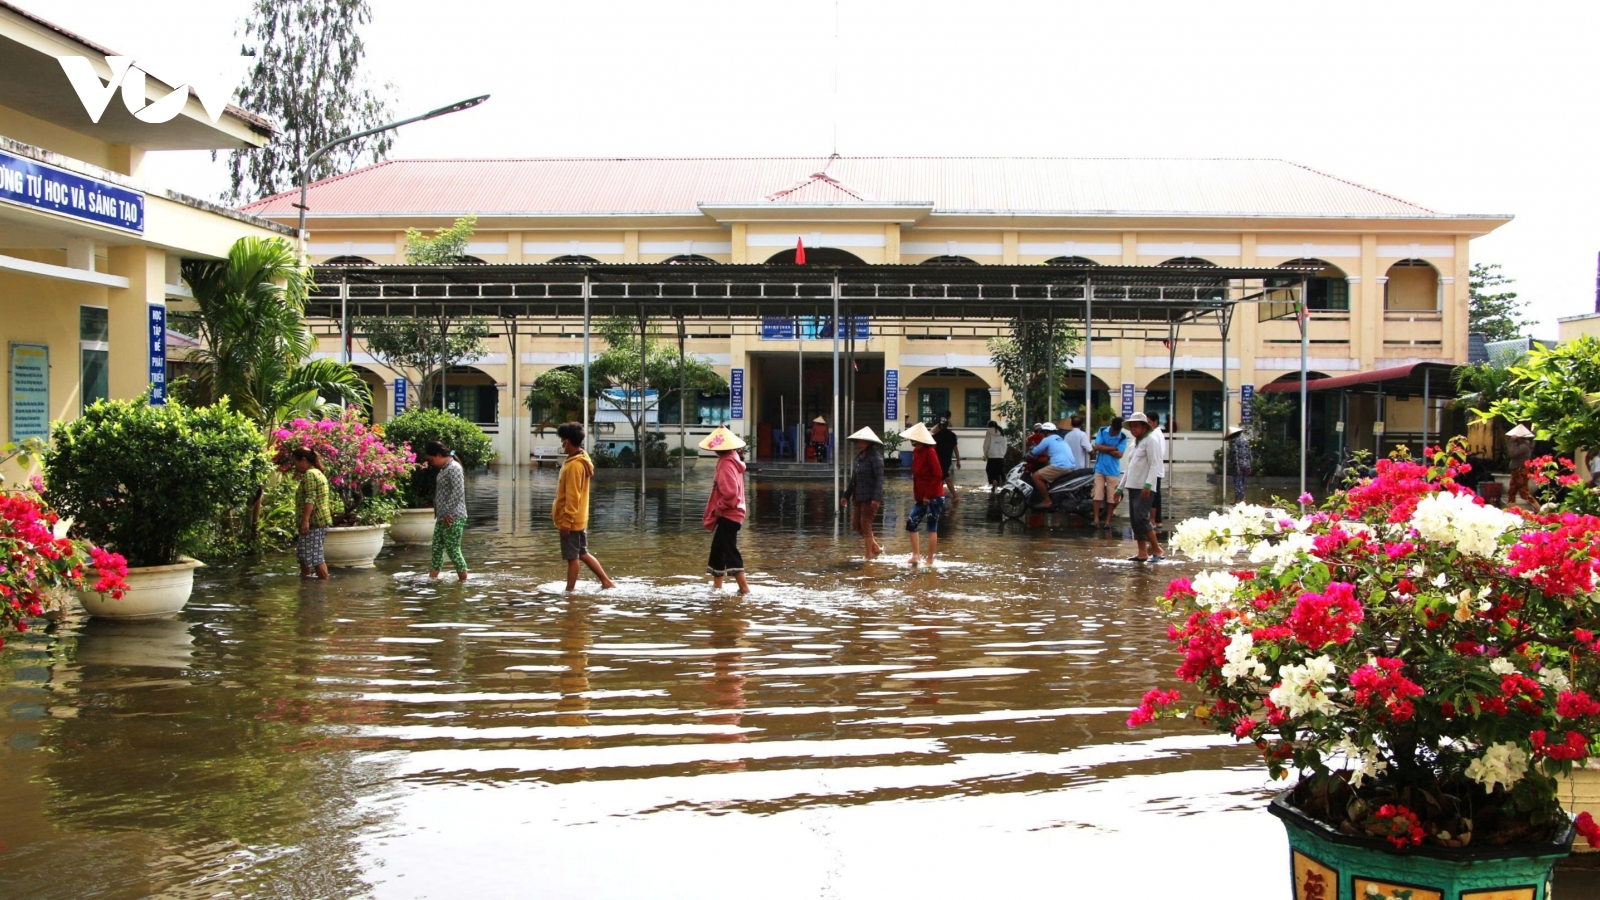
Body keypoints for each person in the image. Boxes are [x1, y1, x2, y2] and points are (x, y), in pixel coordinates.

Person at [552, 422, 617, 591]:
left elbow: (573, 496)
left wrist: (566, 520)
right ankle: (606, 581)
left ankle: (569, 593)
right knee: (582, 553)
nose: (561, 444)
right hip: (579, 518)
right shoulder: (581, 458)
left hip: (572, 520)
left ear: (566, 441)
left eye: (562, 440)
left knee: (572, 557)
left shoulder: (574, 465)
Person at [701, 426, 751, 594]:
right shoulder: (734, 458)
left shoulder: (725, 464)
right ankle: (717, 587)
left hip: (730, 513)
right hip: (734, 513)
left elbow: (730, 493)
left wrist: (718, 508)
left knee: (729, 549)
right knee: (718, 549)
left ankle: (744, 588)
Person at [1119, 412, 1166, 563]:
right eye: (1131, 426)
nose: (1133, 429)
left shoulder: (1151, 441)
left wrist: (1148, 484)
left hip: (1144, 486)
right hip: (1133, 485)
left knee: (1142, 518)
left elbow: (1155, 464)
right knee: (1135, 520)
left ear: (1144, 427)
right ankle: (1142, 552)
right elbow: (1130, 467)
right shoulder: (1135, 443)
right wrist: (1120, 488)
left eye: (1136, 426)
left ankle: (1157, 549)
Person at [425, 440, 470, 581]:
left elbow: (458, 491)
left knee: (453, 549)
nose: (431, 463)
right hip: (443, 516)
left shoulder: (454, 468)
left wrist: (447, 512)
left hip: (453, 516)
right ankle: (432, 581)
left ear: (438, 455)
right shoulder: (445, 469)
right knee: (436, 549)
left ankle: (464, 581)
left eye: (431, 460)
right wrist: (441, 514)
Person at [903, 421, 945, 567]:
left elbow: (938, 474)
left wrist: (928, 495)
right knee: (911, 522)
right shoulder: (916, 453)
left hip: (934, 496)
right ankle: (916, 555)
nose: (912, 443)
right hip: (921, 497)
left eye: (914, 441)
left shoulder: (930, 452)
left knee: (931, 526)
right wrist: (920, 496)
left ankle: (930, 560)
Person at [841, 427, 886, 560]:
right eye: (859, 441)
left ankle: (868, 556)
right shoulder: (859, 458)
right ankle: (875, 547)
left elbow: (879, 479)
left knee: (865, 523)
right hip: (858, 496)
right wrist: (845, 495)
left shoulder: (876, 458)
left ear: (869, 442)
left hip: (870, 497)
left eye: (862, 441)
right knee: (856, 524)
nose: (860, 443)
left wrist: (876, 498)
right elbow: (853, 479)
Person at [292, 447, 331, 580]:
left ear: (303, 460)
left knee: (315, 557)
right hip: (318, 521)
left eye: (295, 462)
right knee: (303, 554)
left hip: (314, 522)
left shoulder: (310, 474)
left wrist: (305, 520)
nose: (295, 466)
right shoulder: (318, 473)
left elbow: (310, 498)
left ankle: (323, 587)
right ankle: (306, 584)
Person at [1091, 416, 1127, 527]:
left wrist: (1104, 448)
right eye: (1113, 430)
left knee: (1112, 497)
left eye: (1117, 431)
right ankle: (1096, 519)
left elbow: (1120, 454)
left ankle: (1107, 521)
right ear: (1111, 426)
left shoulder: (1122, 437)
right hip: (1100, 468)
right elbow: (1097, 446)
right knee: (1097, 494)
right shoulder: (1102, 430)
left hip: (1113, 470)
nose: (1114, 433)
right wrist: (1113, 448)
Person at [1027, 422, 1072, 509]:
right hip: (1069, 465)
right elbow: (1048, 452)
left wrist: (1031, 452)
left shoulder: (1046, 439)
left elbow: (1035, 451)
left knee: (1036, 476)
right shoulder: (1060, 439)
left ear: (1046, 432)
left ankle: (1047, 500)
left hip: (1059, 466)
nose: (1041, 434)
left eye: (1042, 432)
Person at [1505, 424, 1537, 508]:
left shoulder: (1524, 446)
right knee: (1511, 492)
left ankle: (1540, 510)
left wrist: (1512, 442)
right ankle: (1511, 511)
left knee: (1524, 493)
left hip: (1521, 470)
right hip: (1516, 470)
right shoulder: (1520, 445)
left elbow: (1512, 453)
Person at [933, 413, 960, 504]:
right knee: (940, 477)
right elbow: (956, 449)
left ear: (940, 425)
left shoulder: (936, 435)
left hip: (938, 459)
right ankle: (939, 494)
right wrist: (958, 460)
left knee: (945, 476)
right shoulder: (952, 435)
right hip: (947, 459)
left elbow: (934, 448)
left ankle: (955, 495)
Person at [1225, 424, 1252, 503]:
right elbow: (1249, 453)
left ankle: (1242, 499)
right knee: (1242, 482)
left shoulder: (1234, 441)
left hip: (1238, 465)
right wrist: (1250, 465)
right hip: (1246, 464)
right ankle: (1237, 499)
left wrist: (1237, 467)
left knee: (1237, 483)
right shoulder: (1245, 440)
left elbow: (1235, 454)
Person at [983, 420, 1009, 487]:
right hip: (1000, 455)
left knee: (989, 470)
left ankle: (993, 481)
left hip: (991, 455)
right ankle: (1003, 483)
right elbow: (1005, 445)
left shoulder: (989, 431)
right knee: (999, 470)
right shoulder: (1001, 432)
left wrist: (985, 453)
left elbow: (987, 443)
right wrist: (1003, 453)